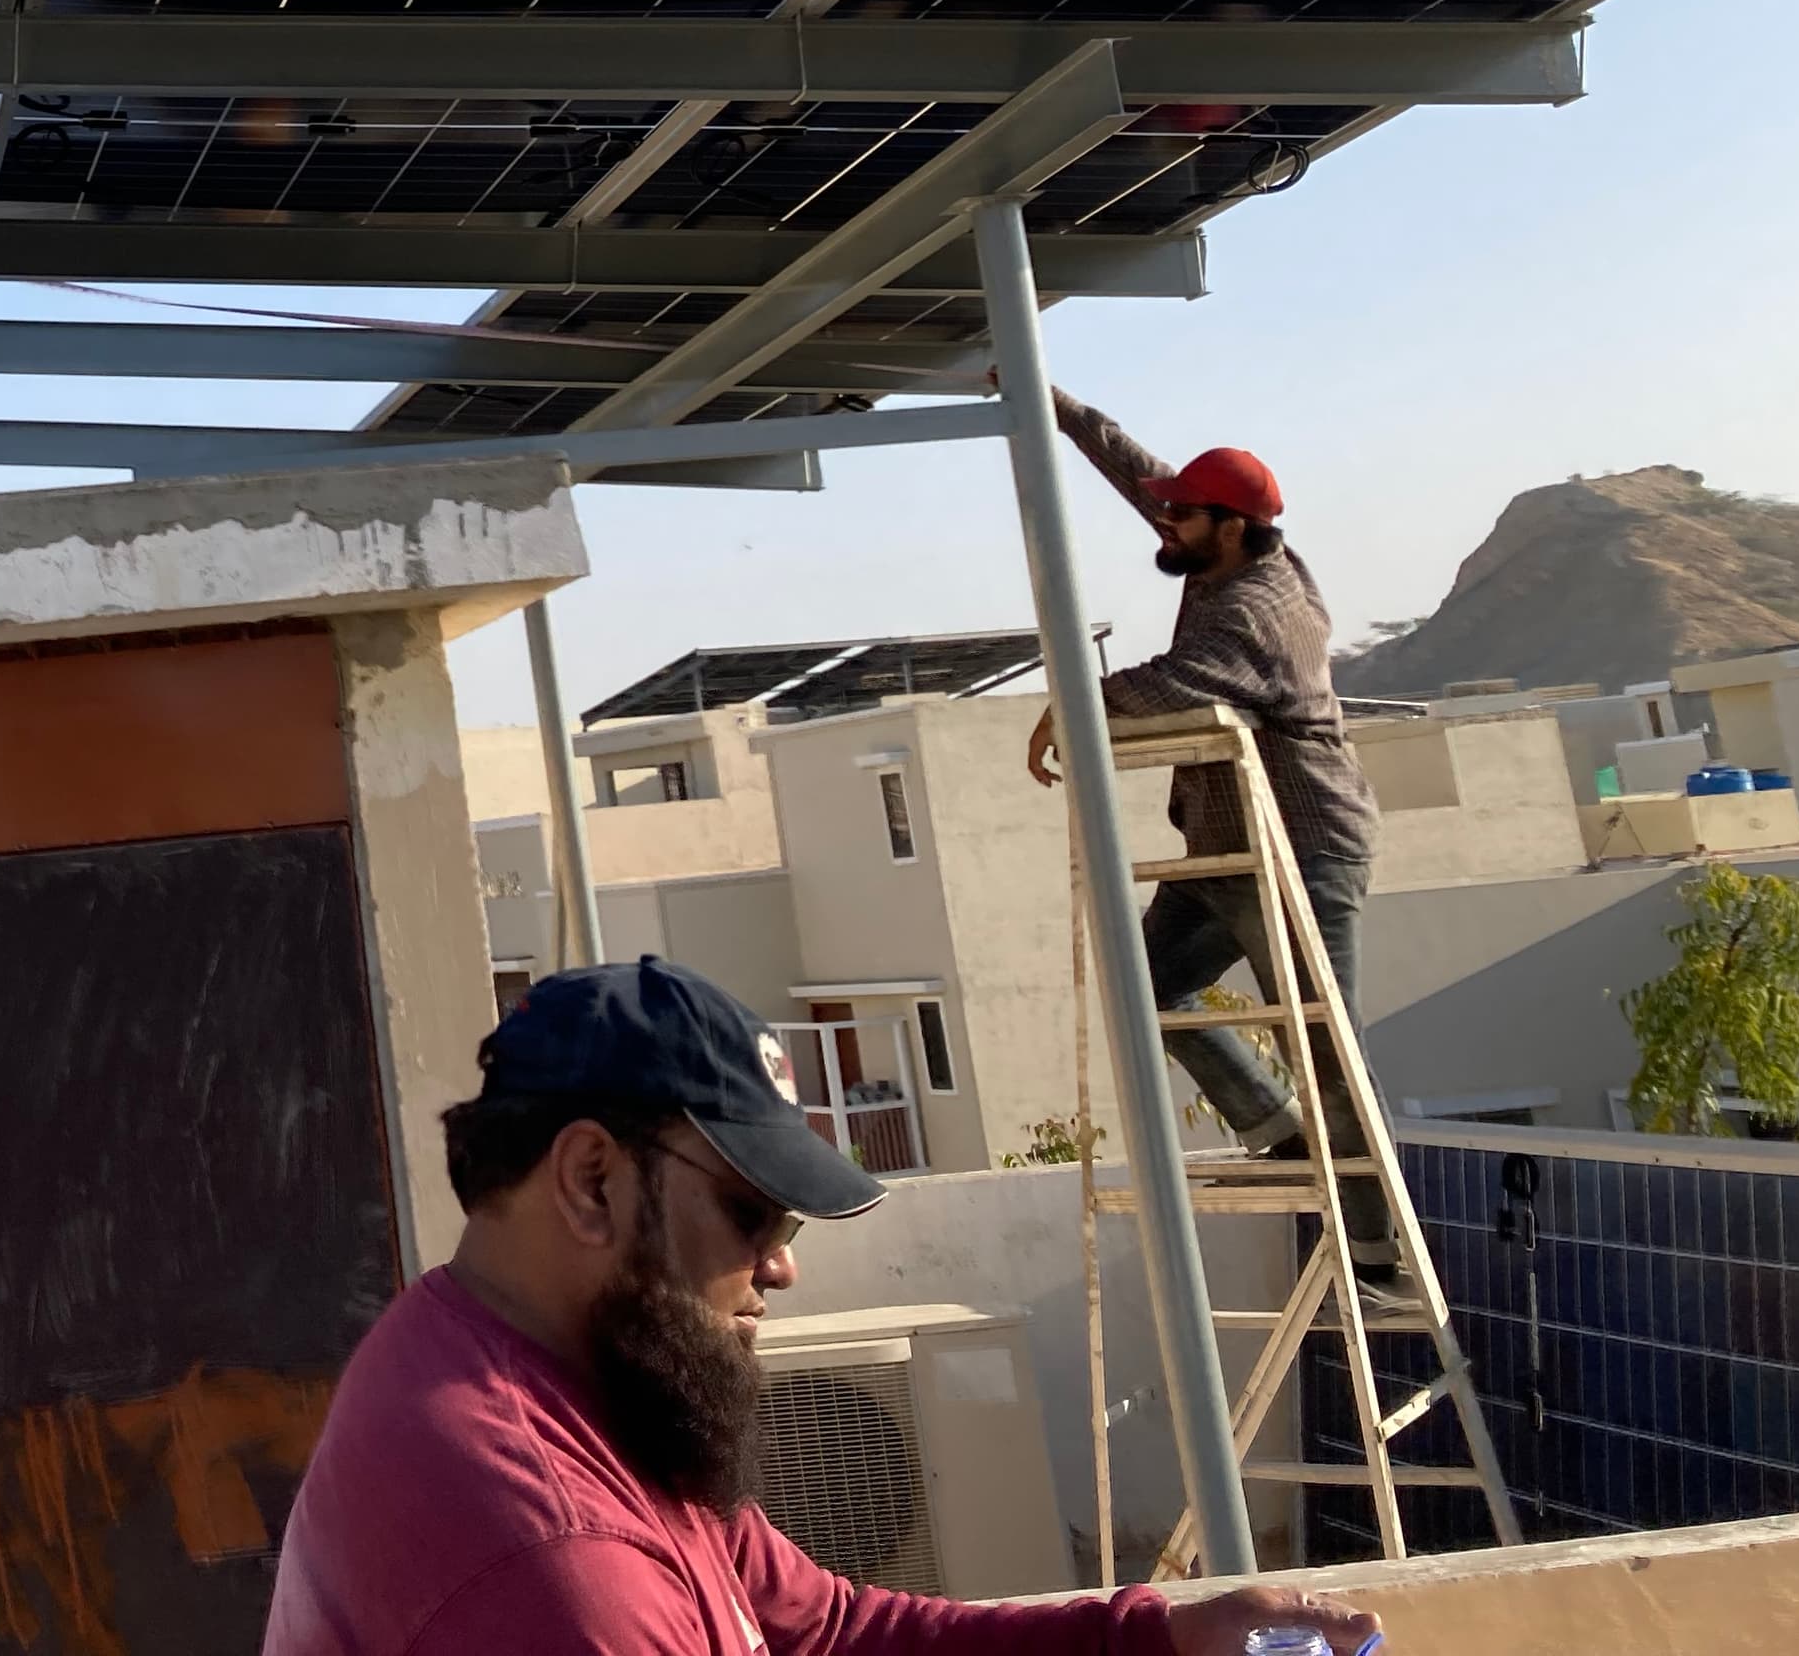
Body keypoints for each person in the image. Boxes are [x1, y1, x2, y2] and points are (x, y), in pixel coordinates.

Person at [263, 957, 1375, 1656]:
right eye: (755, 1214)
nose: (781, 1267)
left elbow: (832, 1629)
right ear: (593, 1181)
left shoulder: (565, 1382)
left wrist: (1162, 1641)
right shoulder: (550, 1557)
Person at [1025, 394, 1391, 1271]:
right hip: (1227, 850)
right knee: (1142, 988)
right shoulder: (1229, 548)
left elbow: (1182, 680)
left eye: (1183, 514)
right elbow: (1139, 474)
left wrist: (1068, 707)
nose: (1166, 522)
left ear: (1229, 529)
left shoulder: (1258, 611)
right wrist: (1059, 409)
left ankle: (1376, 1248)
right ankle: (1276, 1127)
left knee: (1325, 1048)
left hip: (1298, 853)